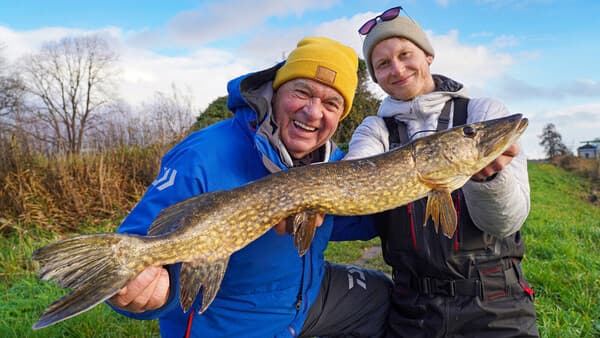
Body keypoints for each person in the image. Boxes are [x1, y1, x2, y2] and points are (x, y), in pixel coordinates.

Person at [107, 36, 392, 338]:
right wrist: (141, 293)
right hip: (230, 323)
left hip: (301, 302)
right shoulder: (203, 156)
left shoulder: (330, 162)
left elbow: (349, 221)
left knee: (382, 297)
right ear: (276, 91)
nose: (312, 112)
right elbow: (136, 246)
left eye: (331, 103)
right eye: (302, 92)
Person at [342, 6, 539, 337]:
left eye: (406, 54)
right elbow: (353, 174)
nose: (398, 69)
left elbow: (506, 223)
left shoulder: (480, 111)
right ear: (375, 77)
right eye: (383, 64)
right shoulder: (374, 129)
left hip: (496, 300)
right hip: (413, 306)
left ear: (428, 55)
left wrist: (489, 179)